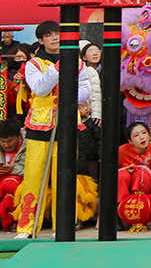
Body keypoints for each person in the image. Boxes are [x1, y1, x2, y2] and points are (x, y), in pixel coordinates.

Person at [12, 20, 92, 238]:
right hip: (40, 126)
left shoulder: (76, 61)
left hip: (67, 122)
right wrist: (57, 70)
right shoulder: (33, 64)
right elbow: (40, 88)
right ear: (41, 40)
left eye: (57, 33)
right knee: (34, 177)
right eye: (49, 35)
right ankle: (27, 228)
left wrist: (70, 97)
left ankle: (62, 226)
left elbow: (85, 88)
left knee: (64, 177)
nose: (55, 38)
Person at [116, 121, 151, 230]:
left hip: (143, 195)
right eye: (136, 135)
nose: (142, 137)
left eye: (144, 133)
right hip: (123, 191)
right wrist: (125, 169)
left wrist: (145, 169)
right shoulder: (121, 151)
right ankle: (121, 213)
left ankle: (140, 214)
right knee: (122, 175)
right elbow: (108, 176)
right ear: (130, 141)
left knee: (141, 173)